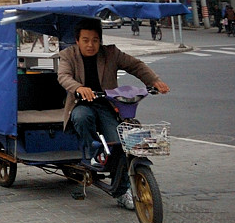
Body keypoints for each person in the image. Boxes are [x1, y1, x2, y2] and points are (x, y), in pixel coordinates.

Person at [57, 17, 169, 168]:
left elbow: (135, 65)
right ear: (77, 41)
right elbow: (64, 76)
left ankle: (123, 189)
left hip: (107, 105)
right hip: (81, 104)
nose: (90, 45)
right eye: (85, 40)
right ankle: (94, 154)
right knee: (82, 118)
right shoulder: (68, 55)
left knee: (119, 144)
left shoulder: (111, 53)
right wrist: (78, 88)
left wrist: (154, 81)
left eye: (95, 40)